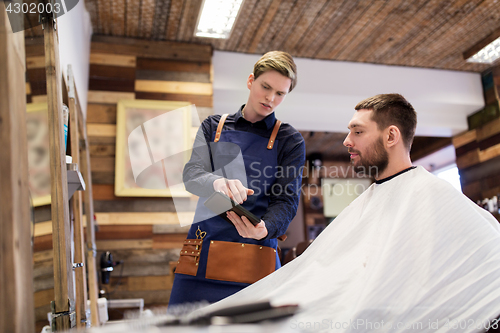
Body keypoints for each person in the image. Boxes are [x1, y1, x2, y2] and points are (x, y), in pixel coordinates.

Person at [198, 94, 500, 332]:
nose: (347, 141)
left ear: (391, 136)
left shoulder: (434, 195)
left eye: (357, 131)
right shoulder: (369, 199)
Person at [168, 51, 306, 306]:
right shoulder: (213, 126)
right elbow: (191, 175)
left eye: (280, 93)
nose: (270, 98)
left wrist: (265, 228)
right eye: (266, 87)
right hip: (202, 252)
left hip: (256, 257)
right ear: (250, 80)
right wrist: (216, 183)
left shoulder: (290, 139)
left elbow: (286, 201)